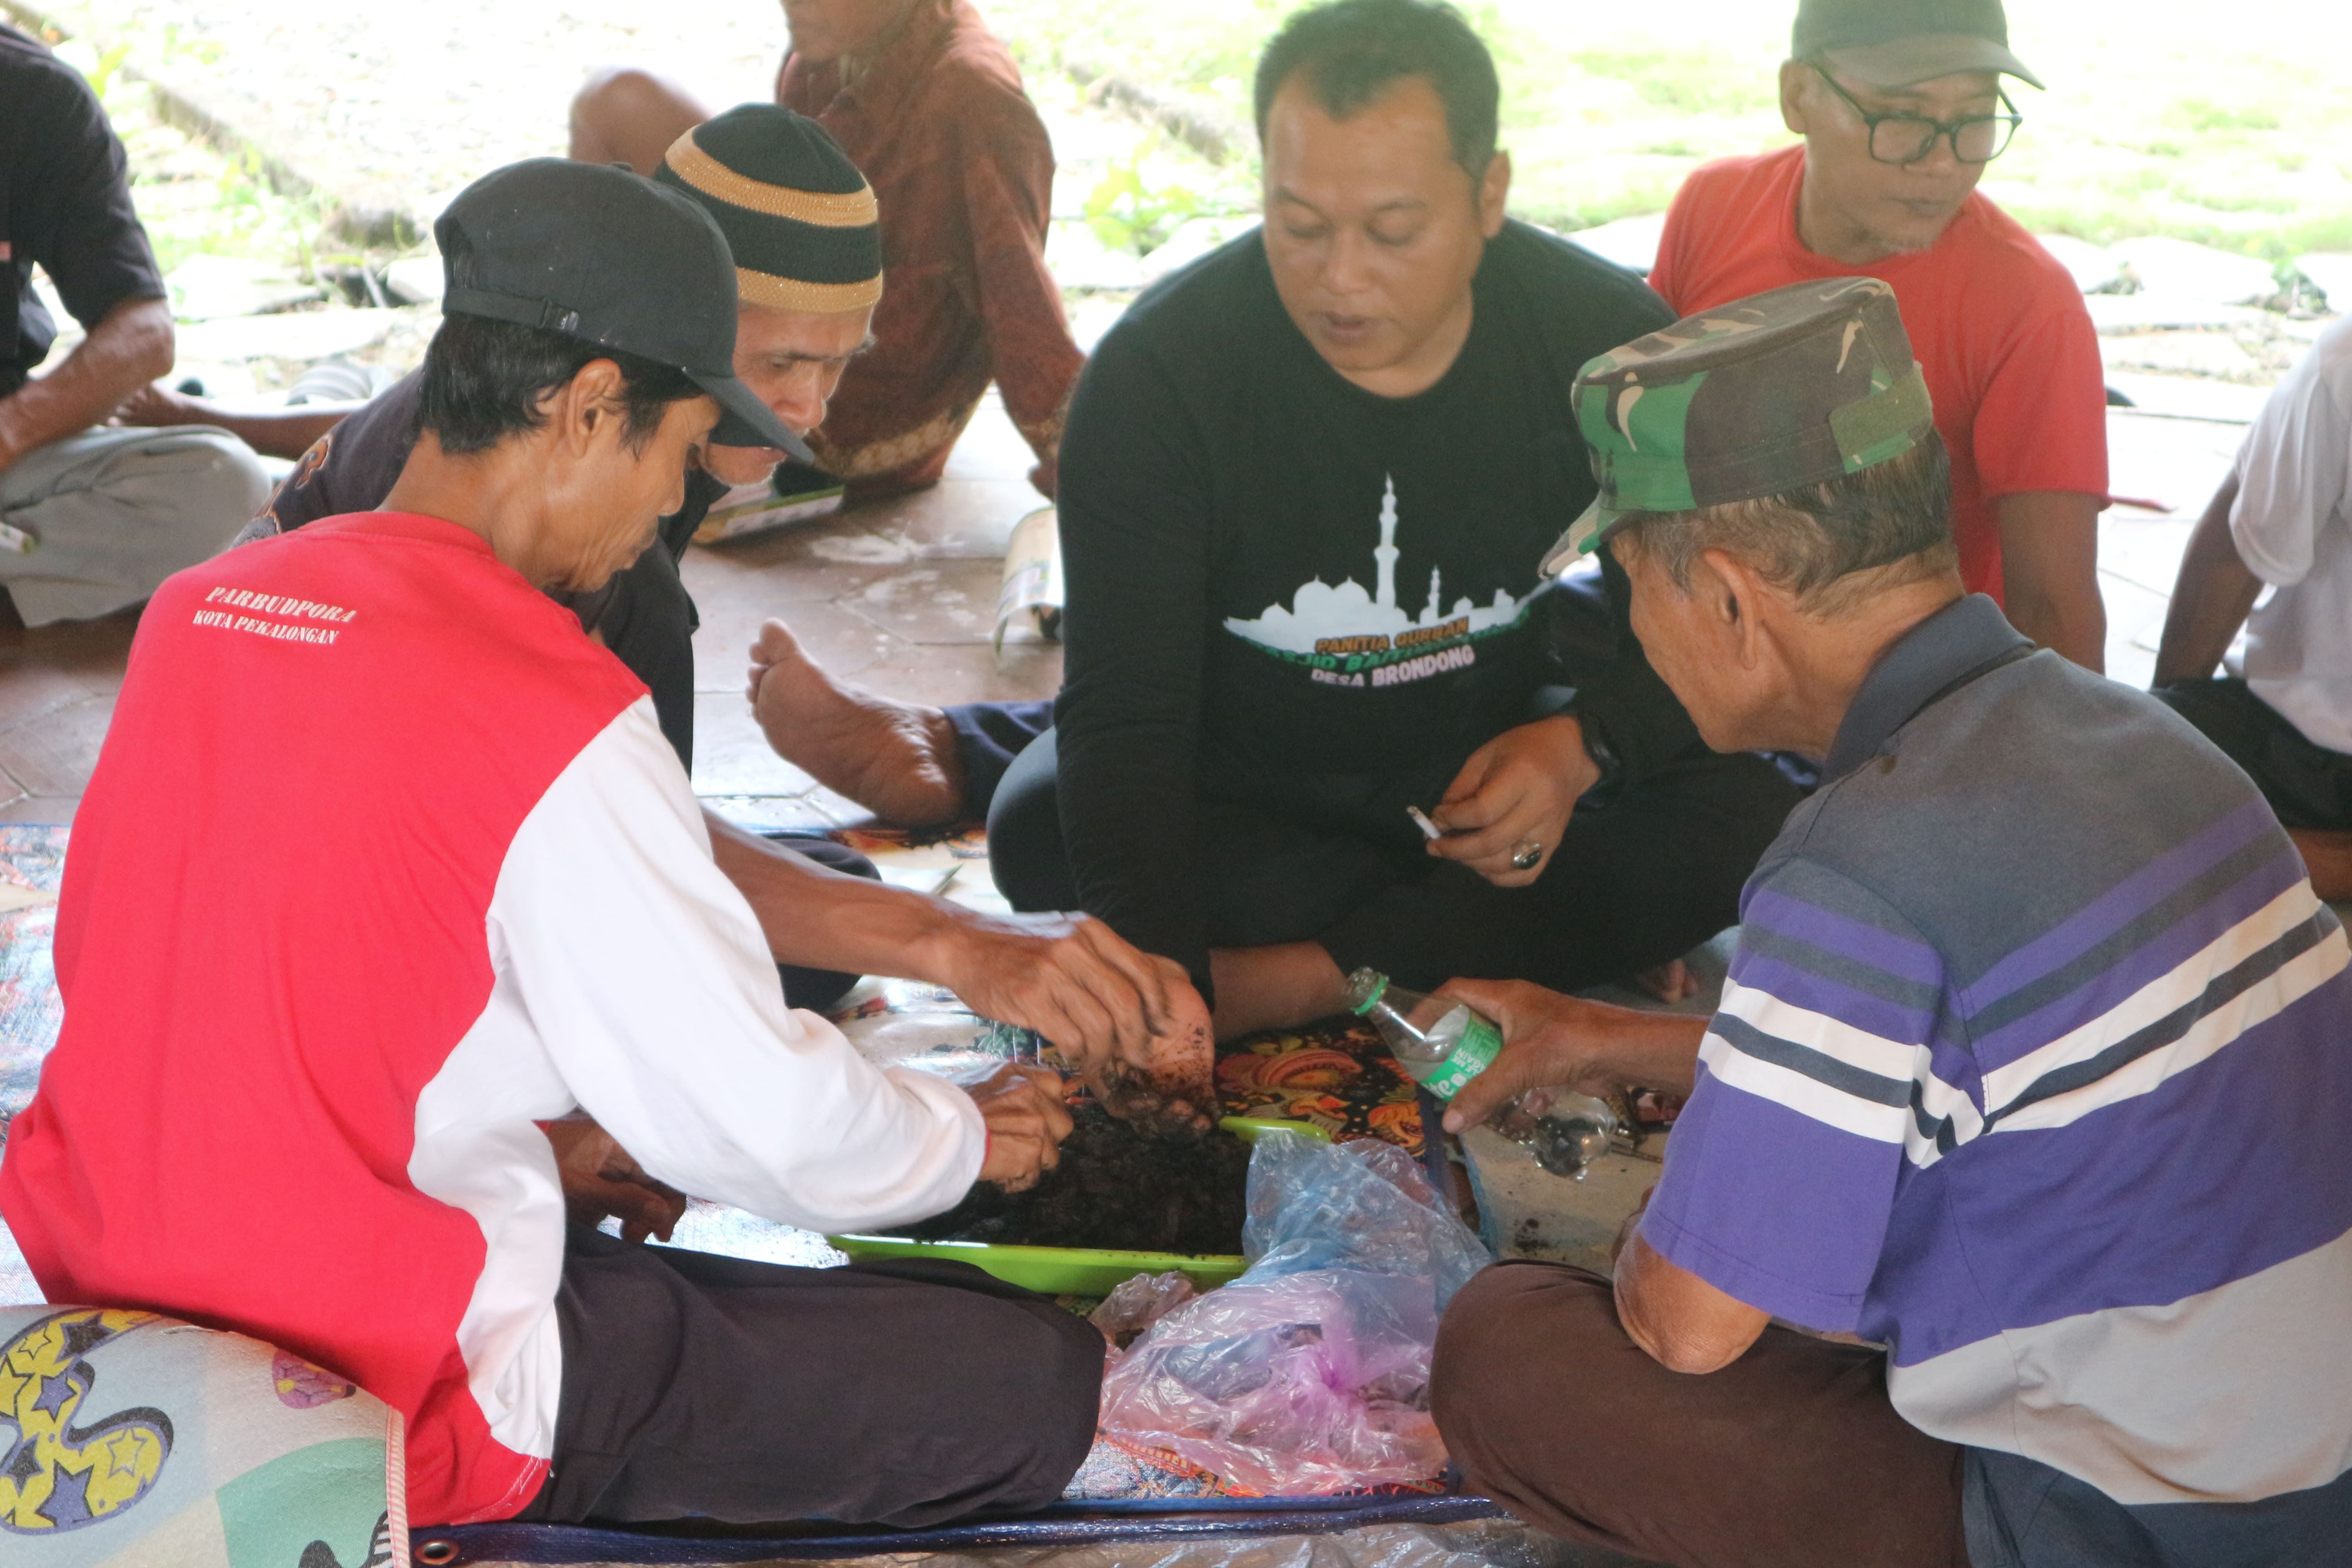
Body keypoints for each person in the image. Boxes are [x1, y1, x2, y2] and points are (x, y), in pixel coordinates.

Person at [0, 159, 1106, 1530]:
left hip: (120, 1285)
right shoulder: (547, 696)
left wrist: (534, 1137)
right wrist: (963, 1141)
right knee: (1028, 1376)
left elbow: (238, 979)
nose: (667, 502)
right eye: (675, 446)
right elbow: (748, 1116)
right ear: (589, 408)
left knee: (693, 1253)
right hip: (384, 1376)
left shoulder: (209, 603)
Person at [1426, 278, 2352, 1567]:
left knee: (1509, 1346)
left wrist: (1661, 1230)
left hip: (2125, 1527)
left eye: (1632, 584)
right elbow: (1974, 1066)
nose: (1636, 632)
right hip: (2313, 1471)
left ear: (1735, 604)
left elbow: (1693, 1326)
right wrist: (1598, 1038)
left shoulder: (1865, 863)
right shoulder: (2145, 741)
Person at [755, 0, 1806, 1039]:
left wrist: (1587, 745)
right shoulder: (1163, 376)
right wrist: (1162, 1000)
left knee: (1757, 813)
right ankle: (1450, 944)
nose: (1340, 276)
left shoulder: (1610, 350)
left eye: (1392, 230)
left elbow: (1717, 635)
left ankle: (1312, 973)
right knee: (1045, 830)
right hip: (1253, 777)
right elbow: (1130, 722)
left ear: (1489, 193)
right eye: (1297, 224)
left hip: (1484, 768)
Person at [250, 108, 1195, 1098]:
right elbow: (626, 871)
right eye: (782, 363)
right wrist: (960, 951)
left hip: (468, 840)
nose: (809, 410)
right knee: (765, 955)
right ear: (674, 328)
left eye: (839, 363)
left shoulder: (528, 392)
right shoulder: (582, 536)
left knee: (831, 879)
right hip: (361, 940)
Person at [1646, 0, 2109, 670]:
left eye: (1975, 119)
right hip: (1711, 648)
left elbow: (2054, 607)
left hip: (1908, 697)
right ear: (1798, 95)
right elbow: (1644, 457)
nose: (1943, 163)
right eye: (1904, 117)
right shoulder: (1712, 209)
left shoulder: (2028, 304)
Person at [569, 0, 1082, 499]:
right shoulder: (833, 47)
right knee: (615, 97)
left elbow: (1019, 296)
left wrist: (1091, 466)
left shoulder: (974, 96)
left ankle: (644, 419)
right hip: (785, 356)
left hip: (859, 413)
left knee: (626, 100)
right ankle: (600, 385)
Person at [0, 21, 270, 624]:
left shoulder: (35, 99)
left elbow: (144, 332)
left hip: (9, 456)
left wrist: (12, 431)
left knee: (223, 484)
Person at [2153, 315, 2352, 898]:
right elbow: (2236, 544)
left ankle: (2272, 856)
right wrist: (2165, 723)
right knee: (2102, 780)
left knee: (2142, 829)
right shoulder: (2343, 365)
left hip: (2297, 775)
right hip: (2297, 740)